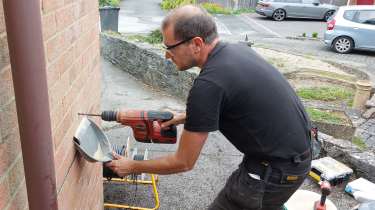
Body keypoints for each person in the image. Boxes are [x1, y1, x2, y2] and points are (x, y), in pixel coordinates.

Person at [106, 5, 312, 210]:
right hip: (293, 157)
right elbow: (235, 100)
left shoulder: (208, 85)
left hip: (275, 172)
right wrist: (186, 117)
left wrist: (131, 166)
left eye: (170, 48)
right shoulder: (236, 51)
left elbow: (184, 162)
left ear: (196, 43)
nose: (167, 56)